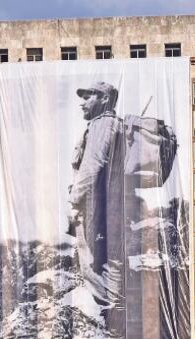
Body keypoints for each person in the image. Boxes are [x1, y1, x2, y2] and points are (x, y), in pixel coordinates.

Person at [67, 81, 126, 319]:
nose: (82, 103)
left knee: (94, 262)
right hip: (105, 204)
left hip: (96, 206)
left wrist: (74, 201)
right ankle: (115, 317)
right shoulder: (106, 125)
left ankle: (116, 319)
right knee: (101, 261)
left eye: (87, 97)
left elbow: (91, 167)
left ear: (103, 99)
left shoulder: (103, 125)